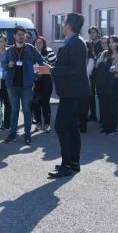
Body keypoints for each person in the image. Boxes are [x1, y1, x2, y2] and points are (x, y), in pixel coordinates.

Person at [37, 13, 90, 178]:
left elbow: (73, 69)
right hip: (72, 92)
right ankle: (73, 163)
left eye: (64, 22)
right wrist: (50, 67)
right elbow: (68, 66)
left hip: (74, 93)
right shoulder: (73, 42)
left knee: (61, 126)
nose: (62, 25)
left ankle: (66, 165)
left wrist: (51, 70)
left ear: (68, 25)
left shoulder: (77, 43)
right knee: (72, 127)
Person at [4, 25, 44, 145]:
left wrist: (35, 77)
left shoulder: (31, 48)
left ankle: (27, 135)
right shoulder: (10, 50)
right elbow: (4, 64)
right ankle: (12, 134)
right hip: (12, 85)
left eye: (23, 35)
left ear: (25, 36)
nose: (21, 36)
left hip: (27, 86)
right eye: (19, 34)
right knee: (14, 110)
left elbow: (40, 62)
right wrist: (8, 65)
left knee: (27, 111)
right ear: (14, 36)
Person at [32, 36, 56, 133]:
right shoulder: (31, 53)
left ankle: (46, 124)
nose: (38, 44)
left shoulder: (49, 52)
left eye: (40, 42)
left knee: (45, 103)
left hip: (46, 80)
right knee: (35, 103)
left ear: (44, 44)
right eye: (36, 42)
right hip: (35, 80)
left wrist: (47, 66)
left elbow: (54, 65)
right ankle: (38, 122)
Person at [102, 36, 118, 135]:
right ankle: (106, 126)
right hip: (105, 82)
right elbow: (98, 65)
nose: (111, 44)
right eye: (109, 42)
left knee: (113, 106)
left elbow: (117, 68)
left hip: (115, 82)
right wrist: (108, 68)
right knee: (105, 105)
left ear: (117, 43)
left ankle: (113, 128)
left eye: (113, 42)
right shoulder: (105, 54)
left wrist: (106, 69)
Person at [84, 26, 103, 127]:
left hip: (100, 71)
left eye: (94, 32)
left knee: (100, 94)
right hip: (91, 71)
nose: (92, 34)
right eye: (91, 33)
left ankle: (103, 116)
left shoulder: (102, 44)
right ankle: (93, 114)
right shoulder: (88, 44)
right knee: (90, 93)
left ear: (98, 33)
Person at [0, 35, 11, 130]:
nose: (2, 43)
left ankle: (7, 124)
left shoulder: (9, 53)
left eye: (4, 41)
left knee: (8, 103)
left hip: (7, 81)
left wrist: (9, 65)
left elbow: (12, 65)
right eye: (0, 41)